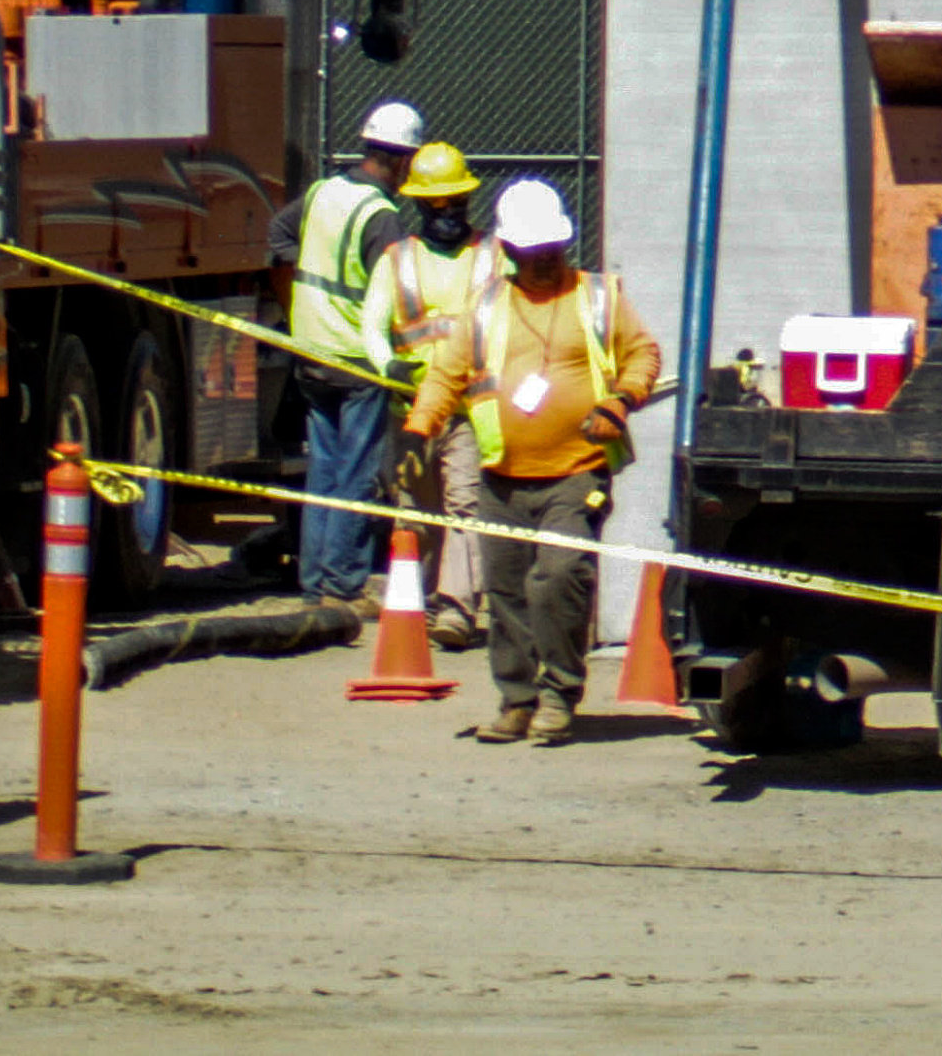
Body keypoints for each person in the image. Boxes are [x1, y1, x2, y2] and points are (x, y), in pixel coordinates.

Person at [405, 176, 665, 745]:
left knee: (560, 578)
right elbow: (447, 374)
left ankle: (558, 695)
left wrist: (620, 401)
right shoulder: (485, 307)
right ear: (510, 253)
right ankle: (516, 699)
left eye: (553, 252)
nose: (545, 263)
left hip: (577, 471)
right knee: (507, 593)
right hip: (501, 476)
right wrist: (417, 429)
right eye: (533, 254)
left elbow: (642, 352)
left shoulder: (598, 297)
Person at [274, 100, 425, 603]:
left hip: (311, 351)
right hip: (357, 358)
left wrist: (294, 300)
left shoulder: (323, 191)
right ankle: (342, 583)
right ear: (402, 159)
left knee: (323, 468)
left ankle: (314, 581)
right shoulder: (382, 217)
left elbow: (277, 235)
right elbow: (398, 299)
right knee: (355, 475)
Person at [359, 140, 494, 647]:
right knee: (415, 509)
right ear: (418, 205)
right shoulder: (397, 261)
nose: (446, 214)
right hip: (410, 410)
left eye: (454, 204)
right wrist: (388, 363)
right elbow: (372, 324)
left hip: (467, 411)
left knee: (465, 507)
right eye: (435, 205)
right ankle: (415, 604)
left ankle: (457, 610)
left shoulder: (491, 258)